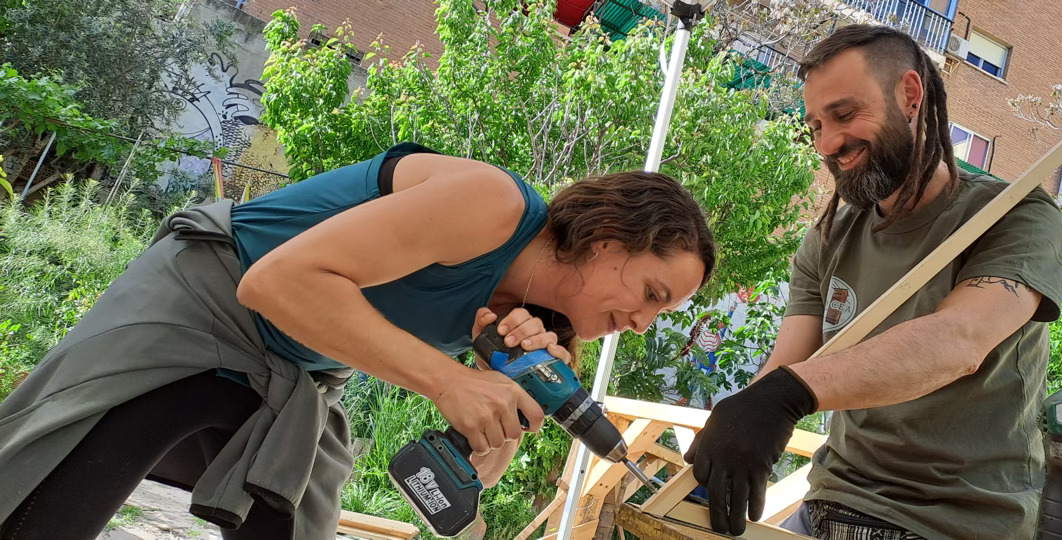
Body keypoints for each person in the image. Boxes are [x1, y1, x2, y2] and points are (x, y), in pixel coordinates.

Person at [0, 141, 715, 540]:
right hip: (207, 301)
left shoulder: (533, 334)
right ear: (606, 237)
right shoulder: (492, 205)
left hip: (299, 374)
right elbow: (276, 283)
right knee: (37, 509)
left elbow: (480, 480)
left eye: (664, 311)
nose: (644, 321)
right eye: (652, 292)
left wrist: (493, 422)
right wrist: (449, 379)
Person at [683, 25, 1062, 540]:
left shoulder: (1014, 216)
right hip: (832, 498)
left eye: (844, 115)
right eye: (816, 126)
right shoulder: (827, 239)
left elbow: (959, 340)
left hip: (955, 521)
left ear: (910, 96)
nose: (829, 143)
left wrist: (785, 396)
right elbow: (787, 368)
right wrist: (733, 434)